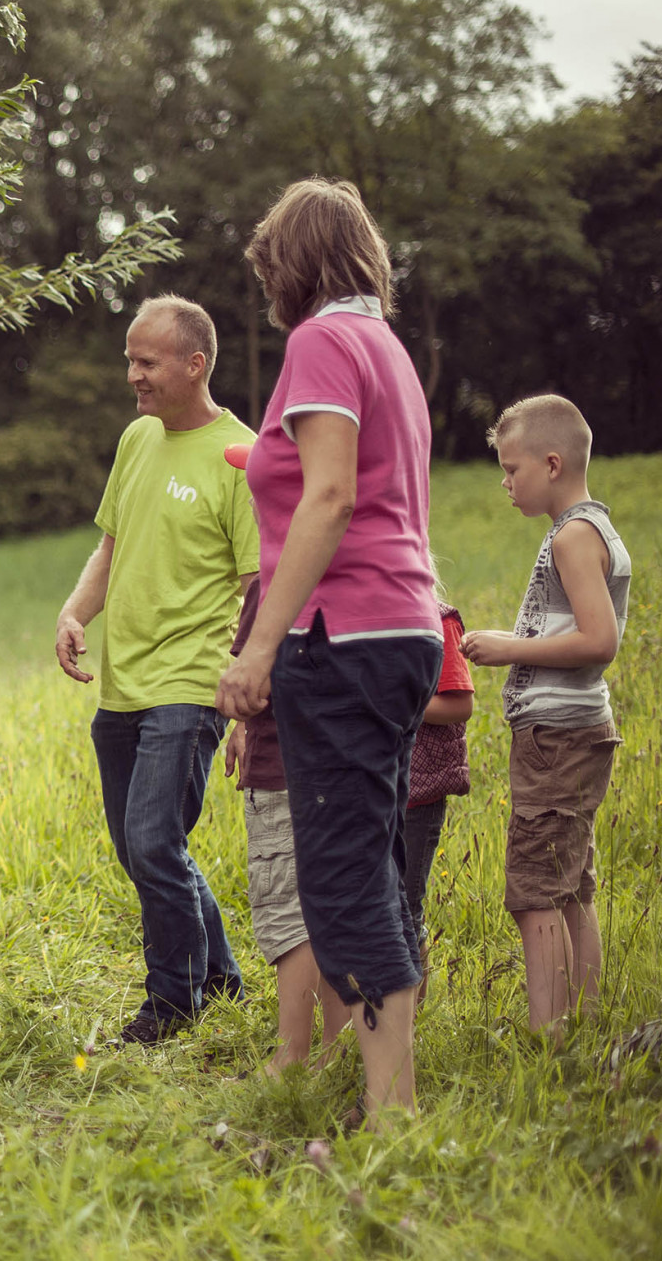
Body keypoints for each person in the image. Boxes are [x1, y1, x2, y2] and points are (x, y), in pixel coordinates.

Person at [217, 177, 441, 1131]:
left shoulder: (319, 341)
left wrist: (258, 647)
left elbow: (332, 495)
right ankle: (384, 1089)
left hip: (339, 636)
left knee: (342, 873)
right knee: (374, 862)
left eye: (271, 267)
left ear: (293, 266)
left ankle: (392, 1117)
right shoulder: (384, 345)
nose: (268, 286)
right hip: (405, 630)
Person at [56, 294, 257, 1044]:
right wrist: (76, 613)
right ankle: (221, 975)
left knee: (151, 843)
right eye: (130, 360)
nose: (133, 376)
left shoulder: (242, 456)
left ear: (194, 363)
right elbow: (111, 547)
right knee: (141, 847)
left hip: (192, 681)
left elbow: (255, 585)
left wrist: (245, 700)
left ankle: (171, 1003)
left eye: (147, 362)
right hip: (124, 681)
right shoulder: (137, 439)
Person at [462, 394, 631, 1037]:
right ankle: (581, 1020)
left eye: (512, 469)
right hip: (573, 729)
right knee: (572, 885)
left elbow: (599, 641)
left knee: (535, 888)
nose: (505, 483)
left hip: (556, 736)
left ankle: (548, 1034)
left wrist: (510, 649)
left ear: (552, 464)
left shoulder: (573, 536)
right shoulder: (592, 529)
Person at [223, 580, 349, 1074]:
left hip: (282, 773)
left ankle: (290, 1056)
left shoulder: (274, 582)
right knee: (334, 907)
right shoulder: (359, 571)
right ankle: (337, 1055)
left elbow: (251, 686)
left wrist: (230, 705)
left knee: (288, 916)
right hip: (345, 770)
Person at [403, 592, 475, 997]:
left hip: (420, 791)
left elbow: (458, 705)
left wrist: (399, 702)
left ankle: (411, 1014)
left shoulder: (440, 620)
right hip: (373, 791)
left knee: (406, 906)